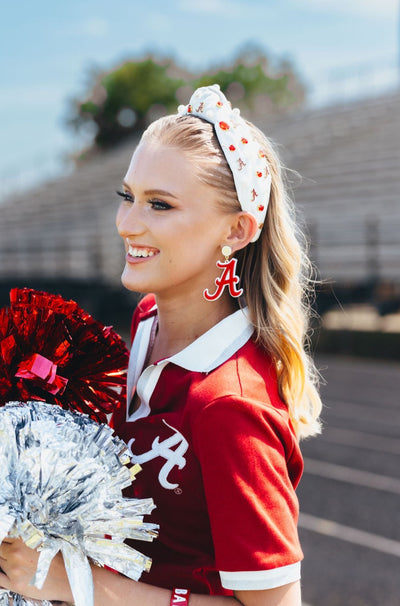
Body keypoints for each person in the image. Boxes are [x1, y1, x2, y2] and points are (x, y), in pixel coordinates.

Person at [0, 84, 322, 606]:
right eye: (127, 196)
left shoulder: (229, 407)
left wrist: (83, 585)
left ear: (238, 230)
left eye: (160, 204)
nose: (128, 224)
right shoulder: (148, 320)